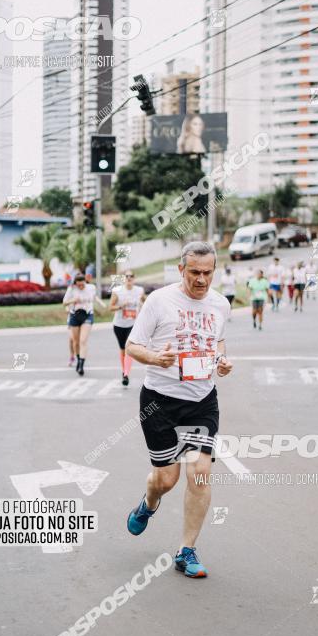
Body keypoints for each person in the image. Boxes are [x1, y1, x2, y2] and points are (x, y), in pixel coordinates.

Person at [125, 241, 233, 579]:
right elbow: (132, 346)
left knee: (199, 474)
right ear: (181, 269)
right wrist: (156, 358)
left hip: (202, 401)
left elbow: (217, 340)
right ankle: (148, 503)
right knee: (166, 478)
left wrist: (221, 361)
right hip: (160, 401)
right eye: (194, 272)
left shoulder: (221, 304)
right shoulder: (160, 301)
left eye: (207, 273)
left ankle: (187, 551)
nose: (201, 280)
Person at [62, 273, 105, 375]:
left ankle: (81, 365)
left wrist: (101, 304)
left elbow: (94, 297)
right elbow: (64, 302)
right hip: (75, 316)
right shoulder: (71, 289)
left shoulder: (91, 288)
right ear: (75, 284)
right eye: (79, 285)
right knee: (75, 342)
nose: (81, 287)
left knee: (83, 341)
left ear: (85, 282)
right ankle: (77, 359)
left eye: (83, 284)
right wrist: (73, 300)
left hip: (87, 315)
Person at [109, 271, 146, 386]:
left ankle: (125, 374)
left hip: (133, 324)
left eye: (131, 276)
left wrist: (143, 303)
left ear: (134, 278)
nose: (129, 278)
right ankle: (124, 370)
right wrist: (121, 306)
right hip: (119, 325)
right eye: (127, 276)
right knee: (123, 350)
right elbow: (110, 307)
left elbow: (148, 302)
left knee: (128, 348)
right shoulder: (117, 291)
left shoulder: (139, 290)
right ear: (123, 279)